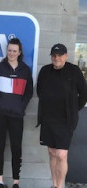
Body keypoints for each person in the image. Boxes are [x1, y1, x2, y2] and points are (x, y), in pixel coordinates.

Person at [37, 43, 87, 188]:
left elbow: (83, 94)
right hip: (48, 118)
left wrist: (73, 109)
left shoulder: (74, 71)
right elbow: (40, 91)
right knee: (52, 153)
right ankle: (54, 184)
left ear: (66, 56)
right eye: (54, 55)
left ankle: (60, 186)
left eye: (60, 55)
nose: (57, 58)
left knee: (61, 155)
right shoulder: (45, 71)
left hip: (66, 120)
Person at [0, 38, 33, 188]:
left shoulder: (25, 70)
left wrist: (21, 107)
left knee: (16, 147)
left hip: (16, 115)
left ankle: (15, 182)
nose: (11, 53)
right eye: (9, 50)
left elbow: (29, 92)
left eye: (14, 51)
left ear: (19, 52)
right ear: (6, 51)